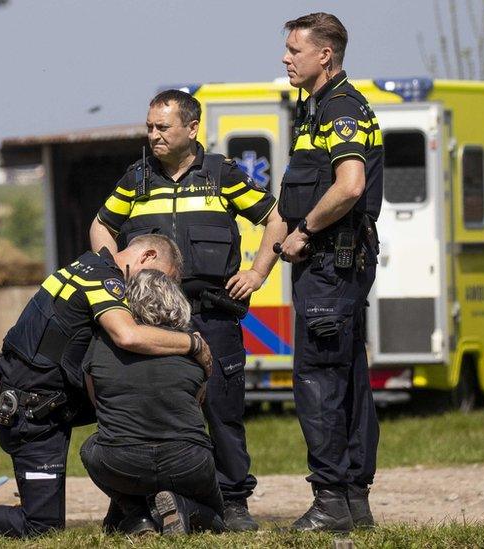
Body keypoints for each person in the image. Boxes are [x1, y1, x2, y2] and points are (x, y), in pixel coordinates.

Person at [0, 234, 212, 540]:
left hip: (47, 401)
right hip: (32, 412)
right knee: (40, 527)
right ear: (148, 256)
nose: (157, 289)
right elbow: (129, 335)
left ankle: (133, 516)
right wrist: (193, 344)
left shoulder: (89, 266)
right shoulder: (105, 280)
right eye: (162, 278)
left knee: (135, 413)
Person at [89, 89, 287, 531]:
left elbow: (277, 218)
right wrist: (113, 277)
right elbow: (101, 225)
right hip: (153, 322)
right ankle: (133, 506)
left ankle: (233, 503)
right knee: (146, 410)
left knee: (221, 410)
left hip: (213, 315)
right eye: (150, 127)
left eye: (163, 127)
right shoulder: (135, 179)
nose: (153, 135)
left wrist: (257, 273)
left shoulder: (222, 175)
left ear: (191, 128)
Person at [275, 12, 384, 532]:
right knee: (347, 379)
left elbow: (350, 184)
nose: (285, 57)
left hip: (329, 269)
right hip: (336, 270)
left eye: (294, 49)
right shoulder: (317, 109)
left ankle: (330, 502)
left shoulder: (340, 108)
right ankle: (353, 501)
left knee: (318, 381)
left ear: (325, 55)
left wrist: (304, 232)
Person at [80, 269, 225, 536]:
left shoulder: (101, 343)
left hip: (120, 460)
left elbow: (98, 403)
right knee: (217, 517)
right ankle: (181, 506)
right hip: (188, 461)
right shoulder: (194, 346)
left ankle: (139, 515)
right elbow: (197, 400)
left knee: (90, 449)